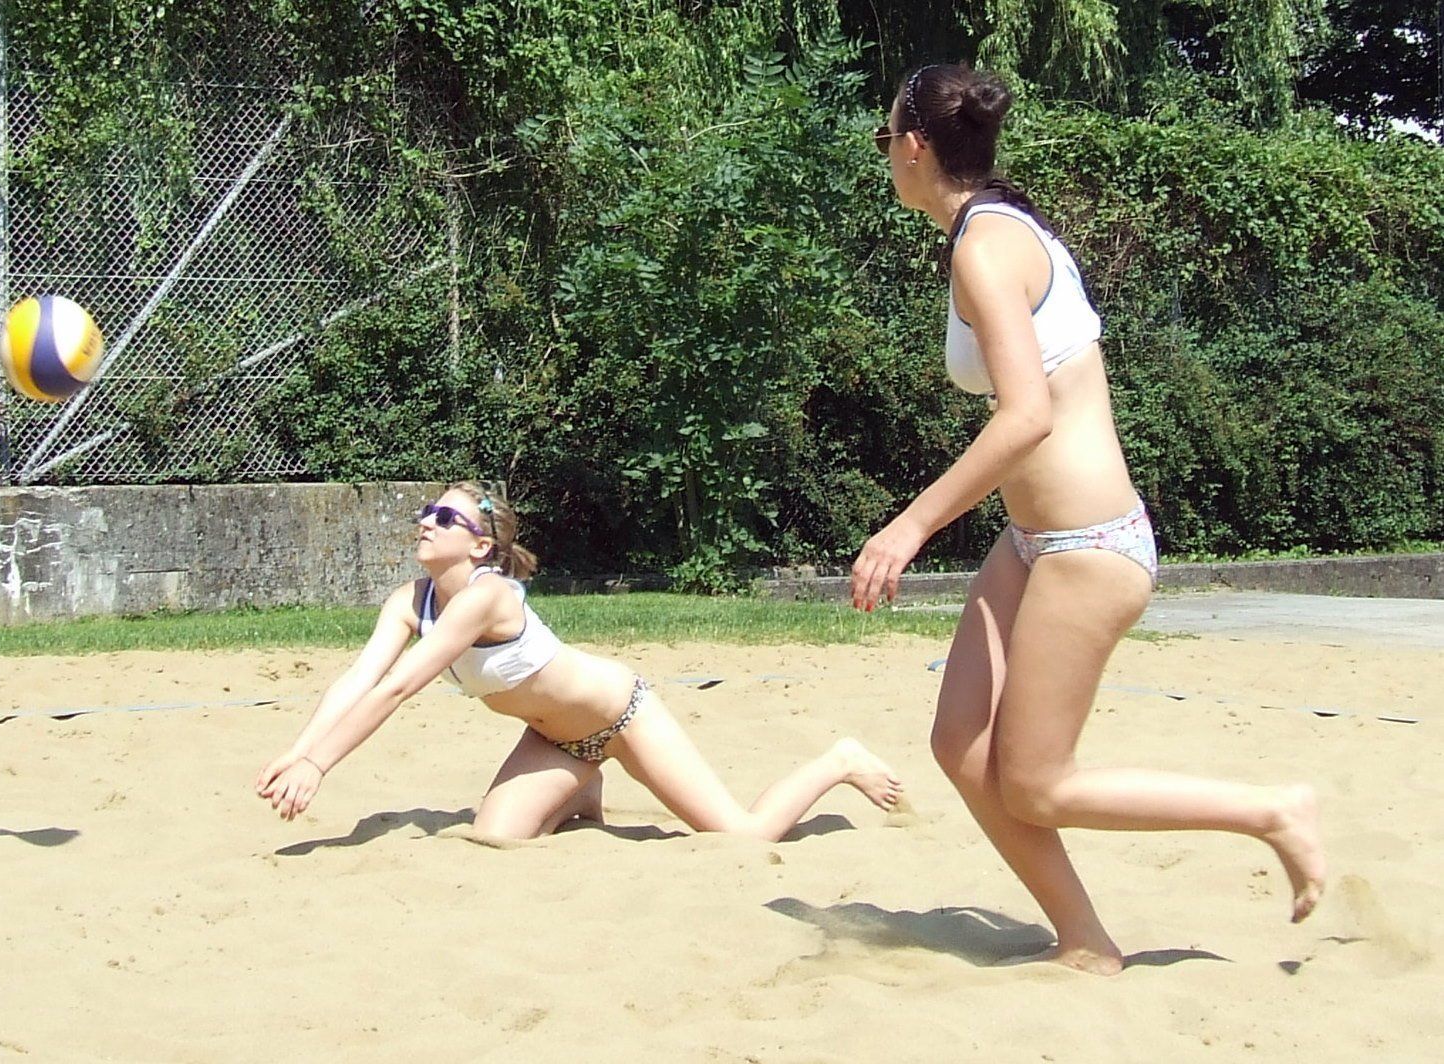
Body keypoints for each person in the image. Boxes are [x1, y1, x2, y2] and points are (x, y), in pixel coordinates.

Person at [851, 64, 1325, 974]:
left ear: (914, 148)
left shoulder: (987, 246)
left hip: (1088, 544)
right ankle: (1085, 941)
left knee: (1037, 783)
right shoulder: (993, 229)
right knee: (959, 744)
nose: (885, 157)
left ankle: (1272, 811)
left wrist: (908, 527)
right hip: (1034, 542)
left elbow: (1026, 418)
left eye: (884, 140)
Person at [258, 479, 903, 841]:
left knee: (744, 836)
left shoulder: (486, 598)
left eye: (445, 517)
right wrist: (299, 751)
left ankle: (840, 761)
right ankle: (584, 788)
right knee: (496, 837)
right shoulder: (410, 601)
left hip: (623, 717)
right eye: (428, 512)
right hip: (555, 738)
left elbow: (396, 689)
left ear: (479, 547)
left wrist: (320, 764)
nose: (427, 521)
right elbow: (360, 679)